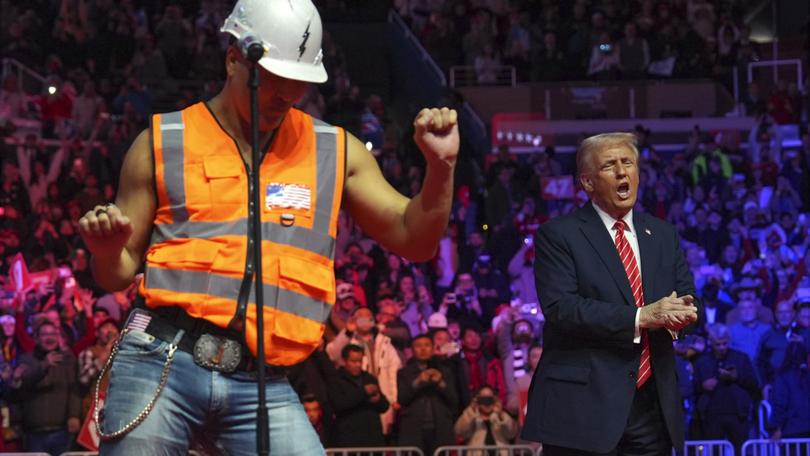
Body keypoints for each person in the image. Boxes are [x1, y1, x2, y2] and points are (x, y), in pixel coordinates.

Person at [77, 0, 459, 453]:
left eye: (298, 82)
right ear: (233, 58)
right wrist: (107, 250)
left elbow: (416, 242)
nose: (286, 94)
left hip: (264, 381)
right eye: (273, 79)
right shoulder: (162, 142)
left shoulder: (335, 151)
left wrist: (441, 167)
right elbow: (116, 275)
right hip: (160, 360)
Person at [522, 132, 700, 455]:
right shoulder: (558, 234)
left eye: (627, 163)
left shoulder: (662, 234)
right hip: (582, 409)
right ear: (587, 182)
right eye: (609, 165)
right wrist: (642, 316)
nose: (622, 172)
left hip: (651, 407)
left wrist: (683, 315)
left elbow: (686, 297)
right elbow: (561, 307)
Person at [326, 306, 401, 435]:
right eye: (361, 318)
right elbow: (333, 354)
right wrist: (348, 332)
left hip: (380, 397)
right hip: (354, 396)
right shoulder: (348, 339)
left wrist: (393, 398)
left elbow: (394, 371)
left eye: (369, 318)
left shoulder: (385, 342)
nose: (366, 320)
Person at [13, 321, 81, 455]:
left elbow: (74, 389)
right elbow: (24, 382)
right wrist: (44, 366)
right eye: (44, 334)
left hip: (61, 430)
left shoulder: (68, 359)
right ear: (36, 338)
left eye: (53, 334)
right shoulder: (27, 359)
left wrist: (74, 415)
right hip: (34, 432)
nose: (49, 338)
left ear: (58, 337)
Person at [693, 324, 759, 453]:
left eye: (725, 343)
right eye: (718, 344)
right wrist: (702, 386)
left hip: (738, 413)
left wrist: (736, 377)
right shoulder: (702, 361)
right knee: (714, 451)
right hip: (711, 414)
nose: (722, 347)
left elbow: (754, 384)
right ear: (711, 343)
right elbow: (693, 388)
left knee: (742, 450)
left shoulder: (741, 358)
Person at [397, 334, 458, 455]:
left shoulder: (445, 371)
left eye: (427, 345)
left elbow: (454, 401)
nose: (423, 349)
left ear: (433, 348)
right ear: (412, 350)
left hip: (440, 427)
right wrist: (417, 381)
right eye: (418, 346)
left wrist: (441, 383)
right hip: (414, 428)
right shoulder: (404, 373)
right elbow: (402, 399)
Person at [328, 344, 389, 447]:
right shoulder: (336, 380)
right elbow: (338, 404)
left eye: (360, 361)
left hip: (372, 438)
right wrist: (363, 392)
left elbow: (385, 406)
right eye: (353, 361)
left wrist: (378, 400)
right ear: (344, 361)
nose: (358, 365)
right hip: (349, 438)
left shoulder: (369, 378)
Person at [454, 385, 518, 451]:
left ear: (494, 399)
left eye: (489, 399)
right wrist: (471, 410)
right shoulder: (473, 417)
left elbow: (512, 433)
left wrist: (501, 414)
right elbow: (459, 431)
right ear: (477, 400)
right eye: (483, 399)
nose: (486, 403)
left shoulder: (500, 416)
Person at [768, 342, 810, 440]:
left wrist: (775, 427)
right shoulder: (806, 375)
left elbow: (780, 403)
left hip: (791, 429)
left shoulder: (783, 376)